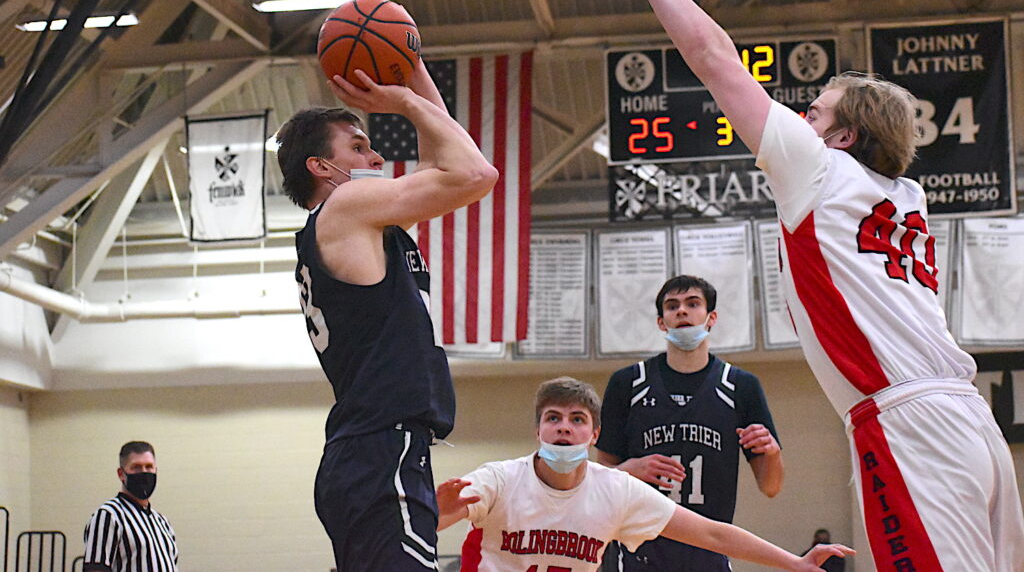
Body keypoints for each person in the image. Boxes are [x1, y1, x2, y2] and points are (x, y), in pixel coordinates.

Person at [601, 0, 1024, 570]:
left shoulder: (819, 168)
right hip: (972, 422)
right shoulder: (908, 196)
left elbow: (712, 54)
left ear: (844, 136)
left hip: (910, 422)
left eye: (816, 111)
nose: (800, 116)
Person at [276, 60, 497, 570]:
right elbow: (475, 173)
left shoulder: (355, 225)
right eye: (358, 147)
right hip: (380, 449)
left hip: (372, 452)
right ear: (319, 167)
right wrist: (404, 101)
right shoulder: (346, 207)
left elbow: (443, 155)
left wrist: (413, 67)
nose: (375, 155)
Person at [436, 377, 850, 572]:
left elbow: (712, 534)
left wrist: (795, 563)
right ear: (538, 431)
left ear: (594, 435)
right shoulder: (500, 479)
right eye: (553, 418)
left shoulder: (616, 490)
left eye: (577, 419)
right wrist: (436, 513)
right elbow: (430, 521)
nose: (564, 427)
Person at [596, 274, 783, 571]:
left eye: (693, 304)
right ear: (662, 322)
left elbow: (771, 486)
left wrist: (772, 452)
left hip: (709, 548)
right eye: (672, 306)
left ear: (711, 317)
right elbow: (601, 478)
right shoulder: (628, 383)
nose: (682, 311)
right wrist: (628, 470)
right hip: (637, 549)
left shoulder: (740, 386)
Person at [82, 441, 178, 572]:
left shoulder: (162, 522)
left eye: (149, 467)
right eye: (136, 467)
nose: (144, 472)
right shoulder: (108, 515)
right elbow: (95, 569)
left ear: (156, 470)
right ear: (121, 474)